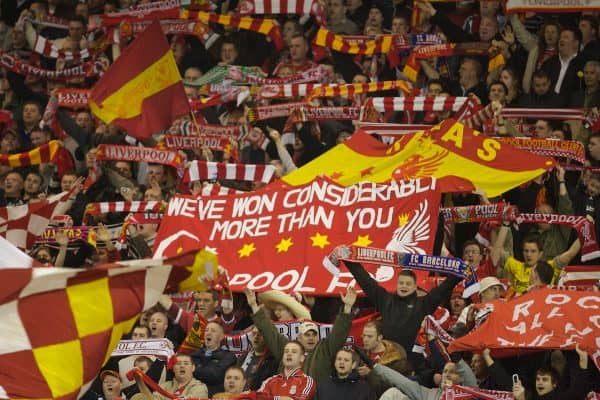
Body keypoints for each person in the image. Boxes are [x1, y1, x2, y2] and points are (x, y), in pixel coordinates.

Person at [343, 260, 462, 366]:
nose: (404, 286)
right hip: (386, 362)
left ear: (415, 287)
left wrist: (461, 271)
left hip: (412, 365)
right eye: (401, 283)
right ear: (397, 284)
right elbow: (366, 281)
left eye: (408, 284)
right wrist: (348, 260)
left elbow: (444, 288)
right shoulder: (385, 300)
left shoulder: (424, 304)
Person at [245, 286, 357, 383]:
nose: (311, 338)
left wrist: (347, 308)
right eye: (307, 335)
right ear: (299, 338)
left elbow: (339, 334)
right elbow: (268, 331)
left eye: (314, 335)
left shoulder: (324, 351)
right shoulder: (287, 348)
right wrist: (254, 305)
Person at [512, 345, 591, 400]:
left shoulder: (559, 397)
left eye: (545, 379)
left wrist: (583, 361)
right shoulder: (532, 397)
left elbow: (576, 393)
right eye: (538, 379)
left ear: (554, 384)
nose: (540, 382)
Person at [133, 353, 209, 400]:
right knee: (138, 397)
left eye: (186, 363)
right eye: (178, 363)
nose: (182, 366)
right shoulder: (164, 386)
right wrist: (139, 381)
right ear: (173, 368)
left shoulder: (200, 387)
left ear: (193, 368)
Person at [189, 321, 236, 396]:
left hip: (213, 396)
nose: (208, 333)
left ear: (221, 337)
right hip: (192, 394)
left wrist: (197, 369)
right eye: (206, 330)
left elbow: (215, 375)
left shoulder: (229, 356)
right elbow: (187, 372)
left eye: (213, 331)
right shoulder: (195, 354)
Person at [237, 325, 278, 390]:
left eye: (260, 334)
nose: (256, 337)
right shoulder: (243, 358)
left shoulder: (273, 360)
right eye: (254, 333)